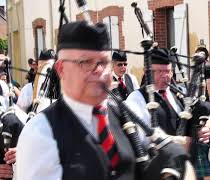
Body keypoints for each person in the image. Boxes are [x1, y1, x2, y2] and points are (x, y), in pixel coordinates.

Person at [16, 21, 136, 180]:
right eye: (85, 62)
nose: (99, 71)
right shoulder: (40, 132)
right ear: (61, 69)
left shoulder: (120, 114)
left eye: (104, 62)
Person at [125, 47, 210, 149]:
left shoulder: (179, 93)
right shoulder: (136, 98)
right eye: (160, 71)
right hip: (157, 162)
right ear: (146, 71)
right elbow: (140, 138)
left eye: (168, 71)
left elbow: (208, 111)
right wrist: (177, 141)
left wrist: (205, 129)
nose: (165, 76)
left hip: (185, 162)